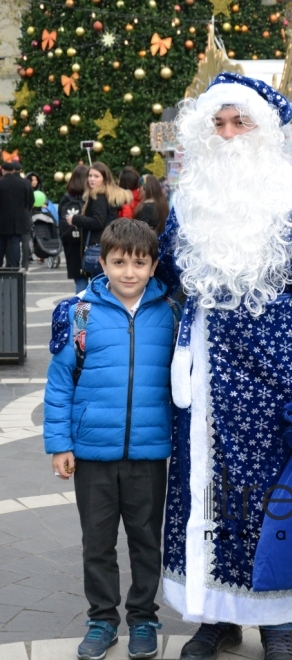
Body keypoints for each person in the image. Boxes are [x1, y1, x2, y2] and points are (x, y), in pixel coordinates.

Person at [156, 72, 292, 660]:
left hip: (276, 384)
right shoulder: (191, 199)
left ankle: (277, 625)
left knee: (271, 500)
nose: (228, 133)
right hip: (206, 384)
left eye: (240, 121)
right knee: (206, 499)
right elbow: (167, 272)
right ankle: (216, 616)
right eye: (217, 124)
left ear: (264, 129)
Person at [44, 219, 178, 660]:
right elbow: (60, 382)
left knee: (145, 540)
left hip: (150, 452)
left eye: (140, 263)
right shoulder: (79, 312)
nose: (128, 272)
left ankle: (143, 618)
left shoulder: (171, 312)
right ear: (102, 262)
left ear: (154, 265)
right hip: (92, 452)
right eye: (118, 262)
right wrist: (60, 444)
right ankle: (102, 619)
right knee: (97, 542)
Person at [66, 162, 132, 277]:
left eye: (96, 176)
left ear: (104, 178)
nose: (92, 179)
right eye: (90, 176)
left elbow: (97, 222)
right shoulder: (109, 194)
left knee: (99, 283)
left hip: (98, 245)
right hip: (109, 243)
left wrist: (75, 219)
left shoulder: (98, 196)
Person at [58, 165, 89, 293]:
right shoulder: (91, 198)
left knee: (80, 282)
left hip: (72, 246)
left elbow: (61, 221)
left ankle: (81, 312)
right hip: (89, 243)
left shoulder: (66, 199)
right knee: (98, 281)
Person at [0, 161, 34, 267]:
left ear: (3, 170)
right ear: (13, 170)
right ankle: (15, 265)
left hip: (2, 219)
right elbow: (31, 200)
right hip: (19, 219)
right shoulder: (25, 183)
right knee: (15, 242)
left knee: (1, 242)